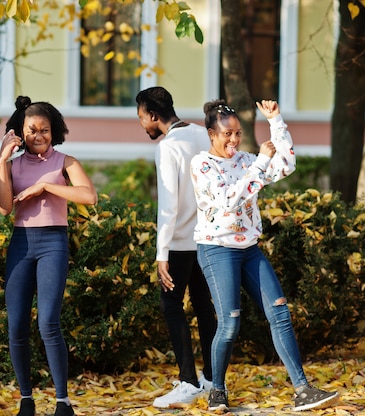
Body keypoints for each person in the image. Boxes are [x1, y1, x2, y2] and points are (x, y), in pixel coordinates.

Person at [191, 99, 339, 412]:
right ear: (210, 135)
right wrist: (259, 163)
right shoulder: (202, 165)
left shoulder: (246, 159)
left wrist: (276, 121)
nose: (233, 140)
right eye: (226, 134)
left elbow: (286, 165)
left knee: (280, 313)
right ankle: (217, 389)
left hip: (249, 249)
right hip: (217, 249)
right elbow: (229, 199)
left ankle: (302, 389)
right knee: (230, 325)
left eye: (238, 134)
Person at [0, 96, 97, 416]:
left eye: (45, 130)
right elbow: (3, 207)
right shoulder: (12, 165)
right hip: (21, 244)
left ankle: (62, 401)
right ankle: (26, 399)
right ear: (19, 131)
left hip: (53, 241)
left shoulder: (65, 162)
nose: (38, 136)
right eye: (31, 130)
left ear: (54, 131)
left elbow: (89, 196)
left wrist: (46, 187)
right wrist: (0, 161)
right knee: (16, 326)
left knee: (49, 322)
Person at [135, 87, 218, 408]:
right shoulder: (203, 134)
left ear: (153, 116)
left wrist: (161, 253)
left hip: (181, 243)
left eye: (142, 118)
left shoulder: (169, 147)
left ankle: (187, 380)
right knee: (204, 307)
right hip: (209, 238)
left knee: (172, 308)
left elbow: (167, 205)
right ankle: (212, 379)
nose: (143, 125)